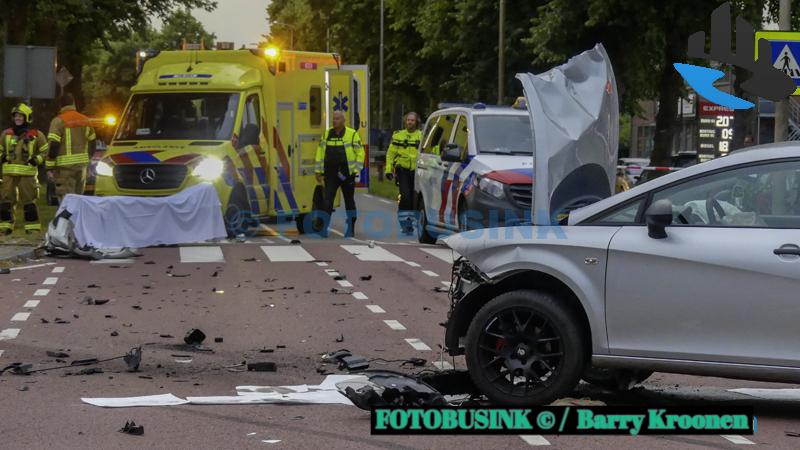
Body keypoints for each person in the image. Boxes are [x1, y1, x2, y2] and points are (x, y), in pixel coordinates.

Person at [314, 111, 364, 238]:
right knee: (327, 201)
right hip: (330, 173)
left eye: (337, 119)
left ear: (343, 120)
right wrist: (318, 170)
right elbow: (320, 152)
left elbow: (360, 153)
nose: (334, 121)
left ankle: (351, 228)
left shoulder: (352, 134)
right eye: (333, 119)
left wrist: (355, 170)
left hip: (347, 173)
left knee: (349, 201)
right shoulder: (327, 134)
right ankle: (323, 228)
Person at [0, 103, 48, 234]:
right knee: (5, 202)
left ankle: (32, 229)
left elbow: (45, 152)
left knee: (29, 203)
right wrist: (2, 157)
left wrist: (36, 160)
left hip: (27, 174)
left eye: (21, 116)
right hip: (8, 173)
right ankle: (5, 228)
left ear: (27, 118)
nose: (18, 118)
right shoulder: (6, 134)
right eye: (16, 116)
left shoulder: (37, 135)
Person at [46, 93, 96, 202]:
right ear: (73, 104)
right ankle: (77, 219)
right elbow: (92, 143)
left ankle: (67, 220)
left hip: (65, 170)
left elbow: (53, 145)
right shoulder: (85, 120)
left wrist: (49, 167)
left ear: (60, 105)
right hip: (81, 168)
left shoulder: (58, 121)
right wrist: (87, 161)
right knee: (78, 200)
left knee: (67, 201)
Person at [385, 112, 422, 234]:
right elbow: (391, 154)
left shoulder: (421, 136)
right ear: (405, 121)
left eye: (412, 120)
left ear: (416, 122)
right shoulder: (398, 136)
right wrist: (388, 169)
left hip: (418, 172)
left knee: (414, 199)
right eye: (408, 120)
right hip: (403, 171)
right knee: (405, 197)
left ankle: (412, 222)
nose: (410, 122)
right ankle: (405, 225)